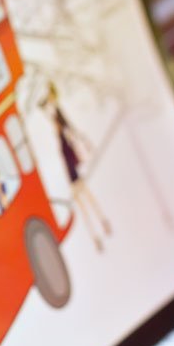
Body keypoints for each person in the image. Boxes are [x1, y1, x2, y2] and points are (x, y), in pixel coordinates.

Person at [41, 80, 110, 251]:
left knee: (88, 201)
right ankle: (97, 234)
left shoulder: (64, 136)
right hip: (72, 176)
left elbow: (66, 127)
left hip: (74, 175)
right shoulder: (62, 136)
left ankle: (101, 226)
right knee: (85, 204)